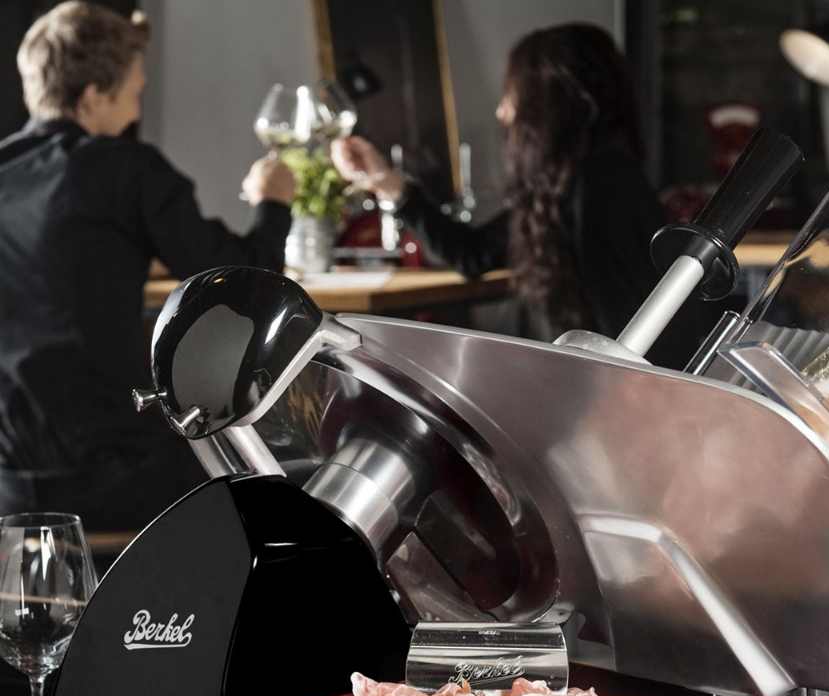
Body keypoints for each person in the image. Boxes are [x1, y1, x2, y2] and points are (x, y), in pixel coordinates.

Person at [0, 1, 296, 532]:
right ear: (94, 94)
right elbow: (246, 286)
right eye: (134, 92)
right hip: (110, 473)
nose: (136, 107)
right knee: (280, 469)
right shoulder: (126, 169)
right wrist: (273, 204)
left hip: (9, 477)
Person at [332, 22, 702, 361]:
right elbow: (472, 254)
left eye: (513, 94)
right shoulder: (567, 186)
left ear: (550, 103)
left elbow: (624, 337)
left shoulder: (599, 185)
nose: (503, 112)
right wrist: (384, 180)